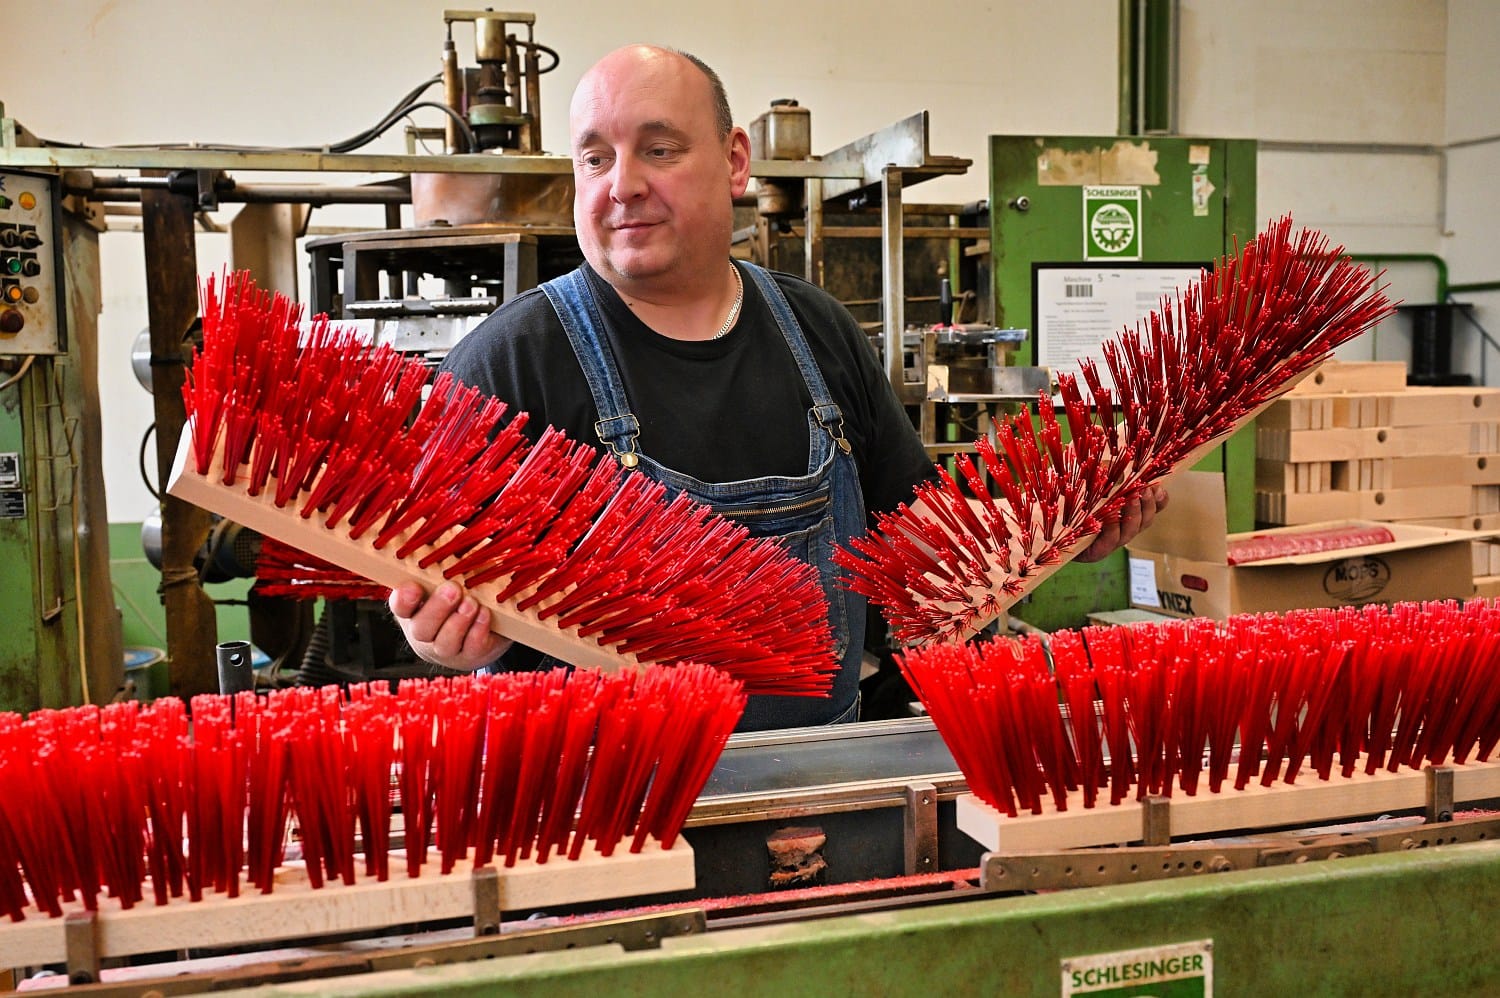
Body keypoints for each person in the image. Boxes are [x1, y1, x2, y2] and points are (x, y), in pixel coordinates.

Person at [390, 44, 1167, 729]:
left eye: (658, 150)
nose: (620, 185)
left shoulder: (816, 332)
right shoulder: (505, 365)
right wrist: (439, 639)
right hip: (611, 818)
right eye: (595, 159)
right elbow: (431, 601)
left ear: (735, 161)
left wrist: (1053, 528)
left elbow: (922, 551)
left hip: (819, 785)